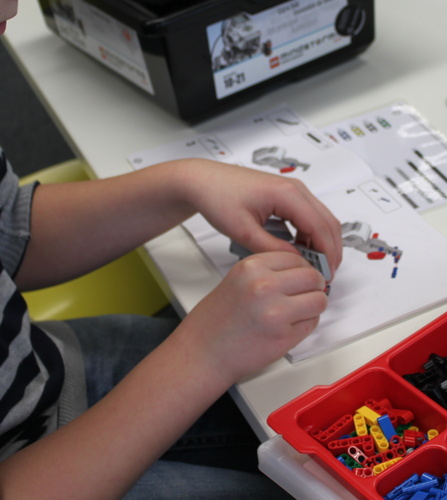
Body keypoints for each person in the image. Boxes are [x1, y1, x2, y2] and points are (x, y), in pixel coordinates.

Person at [0, 1, 343, 498]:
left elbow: (10, 229)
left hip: (38, 372)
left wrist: (184, 183)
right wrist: (202, 355)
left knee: (311, 418)